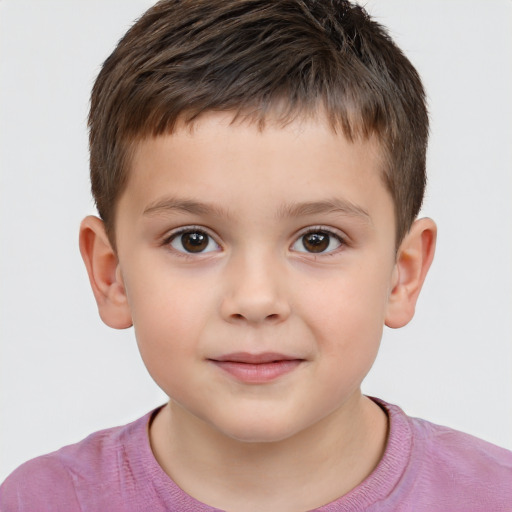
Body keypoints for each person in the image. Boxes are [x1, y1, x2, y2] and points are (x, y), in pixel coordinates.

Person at [1, 0, 511, 510]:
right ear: (112, 275)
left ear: (403, 276)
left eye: (317, 240)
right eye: (193, 239)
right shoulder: (41, 501)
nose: (255, 298)